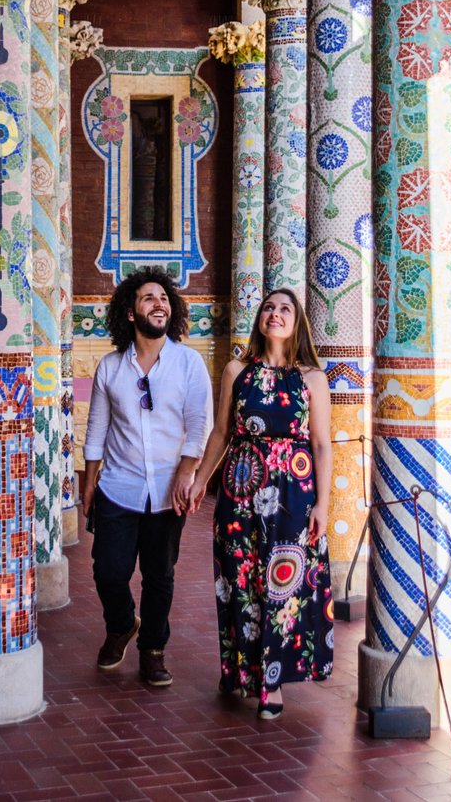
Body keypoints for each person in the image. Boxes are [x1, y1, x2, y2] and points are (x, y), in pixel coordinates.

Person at [188, 287, 333, 719]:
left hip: (294, 494)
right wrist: (200, 481)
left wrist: (324, 505)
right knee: (238, 581)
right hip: (240, 490)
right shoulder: (237, 370)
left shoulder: (312, 378)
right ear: (260, 318)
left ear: (297, 323)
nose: (275, 313)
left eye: (285, 309)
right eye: (269, 307)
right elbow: (220, 433)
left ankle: (272, 680)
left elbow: (323, 445)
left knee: (282, 585)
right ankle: (238, 669)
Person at [82, 266, 213, 687]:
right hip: (117, 487)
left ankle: (153, 650)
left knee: (160, 575)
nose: (159, 303)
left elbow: (200, 424)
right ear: (132, 313)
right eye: (148, 298)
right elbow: (96, 430)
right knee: (108, 572)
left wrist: (187, 473)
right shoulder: (110, 369)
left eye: (163, 298)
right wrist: (88, 485)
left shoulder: (188, 363)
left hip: (168, 489)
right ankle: (121, 624)